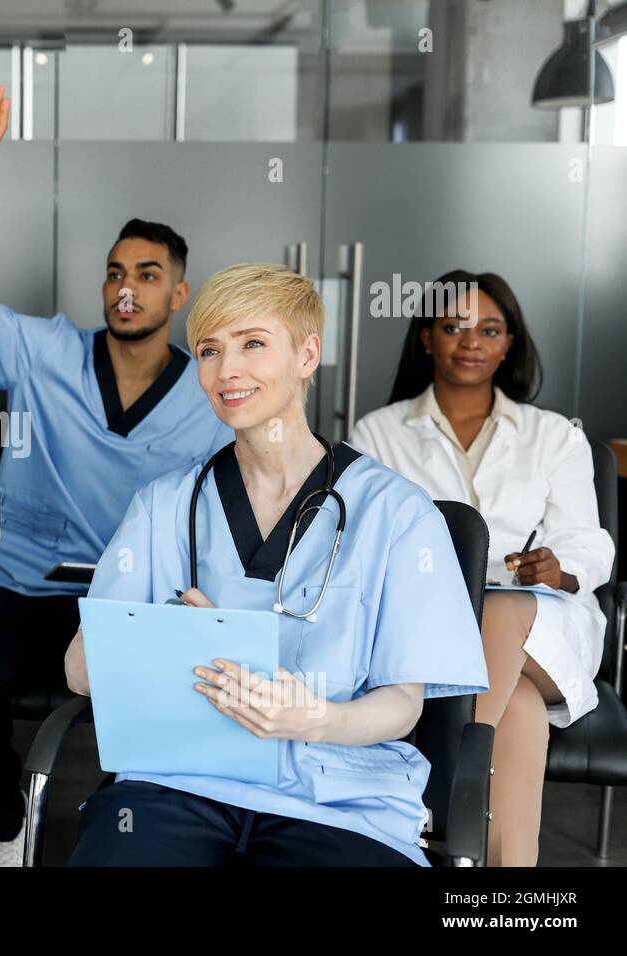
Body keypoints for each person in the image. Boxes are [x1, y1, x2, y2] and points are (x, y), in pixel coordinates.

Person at [63, 263, 489, 866]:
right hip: (180, 783)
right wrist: (163, 636)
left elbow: (404, 705)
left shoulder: (396, 514)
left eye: (253, 344)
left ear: (307, 354)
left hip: (339, 797)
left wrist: (314, 718)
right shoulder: (163, 505)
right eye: (209, 350)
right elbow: (80, 673)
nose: (226, 370)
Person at [0, 85, 233, 865]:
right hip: (21, 585)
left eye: (149, 274)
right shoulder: (45, 352)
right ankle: (1, 827)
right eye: (116, 272)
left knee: (153, 695)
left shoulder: (215, 392)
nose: (127, 286)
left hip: (128, 592)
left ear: (180, 295)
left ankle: (128, 831)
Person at [350, 270, 614, 866]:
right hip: (433, 627)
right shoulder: (379, 433)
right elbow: (360, 545)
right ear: (426, 338)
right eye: (453, 327)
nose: (471, 342)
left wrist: (558, 568)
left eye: (489, 329)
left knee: (498, 608)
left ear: (509, 343)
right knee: (517, 708)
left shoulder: (555, 437)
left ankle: (436, 796)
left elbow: (590, 542)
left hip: (547, 625)